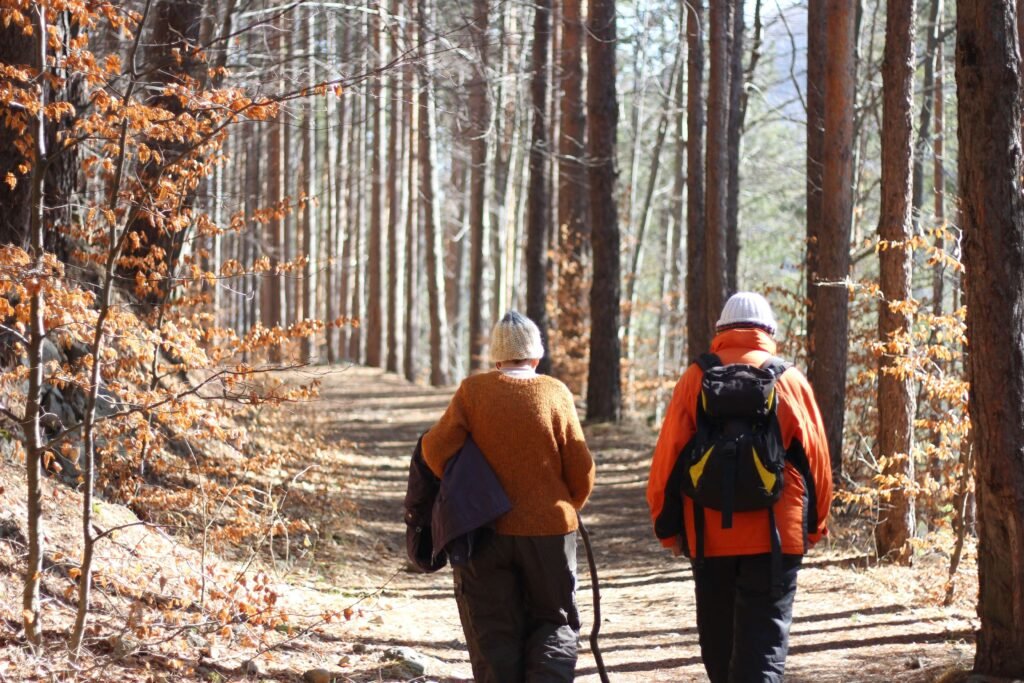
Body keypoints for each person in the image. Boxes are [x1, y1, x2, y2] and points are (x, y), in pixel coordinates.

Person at [647, 292, 833, 682]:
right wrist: (813, 526)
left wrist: (668, 529)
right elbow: (816, 463)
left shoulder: (696, 377)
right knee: (763, 651)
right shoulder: (789, 379)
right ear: (769, 331)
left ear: (720, 331)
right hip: (777, 537)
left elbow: (669, 457)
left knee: (720, 651)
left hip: (709, 533)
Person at [422, 310, 595, 683]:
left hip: (484, 531)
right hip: (550, 532)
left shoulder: (473, 392)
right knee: (554, 621)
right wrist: (564, 507)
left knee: (493, 629)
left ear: (496, 358)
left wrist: (470, 487)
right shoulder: (556, 393)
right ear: (536, 356)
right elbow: (581, 470)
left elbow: (434, 452)